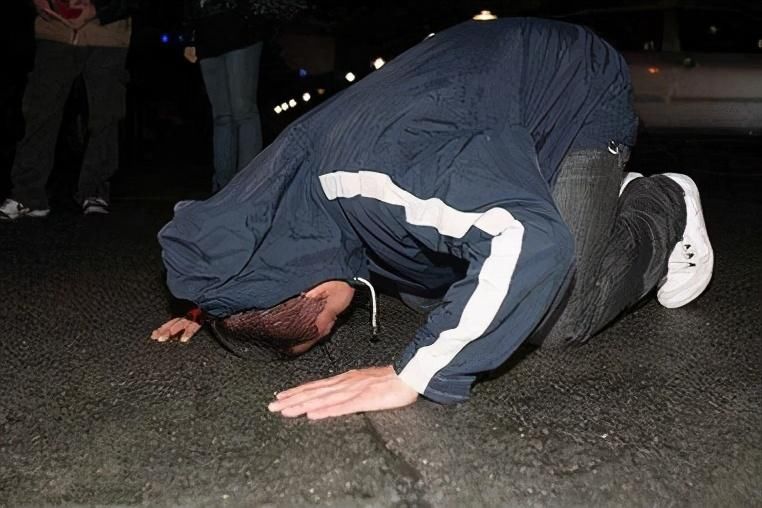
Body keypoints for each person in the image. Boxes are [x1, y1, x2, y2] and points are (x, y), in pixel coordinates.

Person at [151, 18, 714, 420]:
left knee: (554, 315)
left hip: (572, 92)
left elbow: (527, 239)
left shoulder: (370, 182)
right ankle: (575, 204)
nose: (331, 337)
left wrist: (413, 373)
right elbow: (236, 238)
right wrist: (213, 303)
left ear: (313, 292)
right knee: (433, 286)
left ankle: (660, 203)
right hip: (478, 97)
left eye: (322, 333)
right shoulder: (287, 193)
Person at [0, 0, 136, 221]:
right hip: (55, 30)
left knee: (105, 114)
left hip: (108, 34)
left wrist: (99, 9)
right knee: (39, 112)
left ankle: (94, 190)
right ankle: (28, 194)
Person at [183, 0, 307, 192]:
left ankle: (247, 185)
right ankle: (223, 188)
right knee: (222, 116)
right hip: (206, 33)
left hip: (240, 28)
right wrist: (191, 36)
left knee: (243, 110)